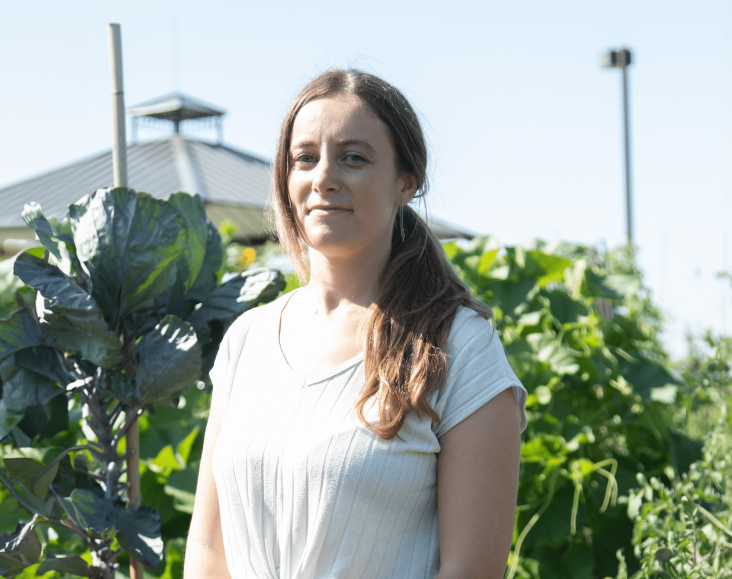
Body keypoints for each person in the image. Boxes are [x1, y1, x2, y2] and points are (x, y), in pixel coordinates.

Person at [184, 68, 528, 579]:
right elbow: (209, 557)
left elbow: (472, 572)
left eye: (354, 157)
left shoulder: (459, 348)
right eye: (305, 158)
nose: (324, 177)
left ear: (405, 183)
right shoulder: (246, 342)